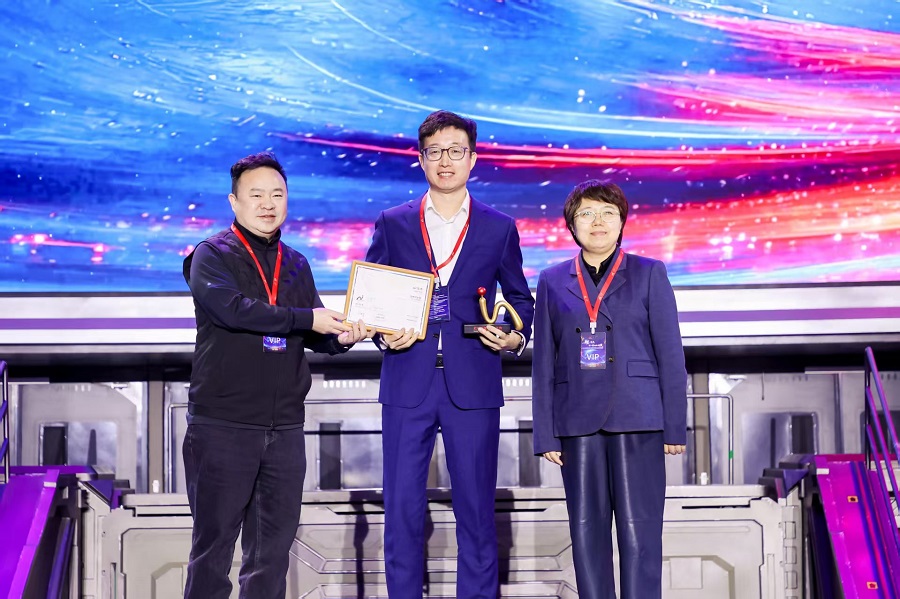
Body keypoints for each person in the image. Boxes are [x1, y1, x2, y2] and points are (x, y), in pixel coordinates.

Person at [181, 151, 371, 598]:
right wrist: (308, 319)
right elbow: (234, 311)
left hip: (284, 428)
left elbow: (312, 331)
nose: (268, 204)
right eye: (256, 195)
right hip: (223, 426)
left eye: (277, 194)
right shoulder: (210, 255)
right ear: (234, 202)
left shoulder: (296, 262)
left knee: (270, 557)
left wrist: (342, 338)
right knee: (212, 552)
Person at [365, 110, 535, 599]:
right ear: (421, 159)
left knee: (477, 513)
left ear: (472, 158)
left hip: (473, 383)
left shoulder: (499, 227)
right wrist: (383, 336)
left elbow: (520, 300)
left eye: (456, 151)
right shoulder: (393, 223)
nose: (445, 160)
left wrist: (511, 336)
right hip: (407, 381)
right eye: (435, 151)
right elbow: (373, 298)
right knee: (401, 511)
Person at [531, 180, 687, 599]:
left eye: (607, 213)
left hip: (639, 418)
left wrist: (675, 425)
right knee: (587, 537)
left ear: (621, 222)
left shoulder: (649, 272)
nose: (597, 221)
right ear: (571, 225)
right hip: (576, 422)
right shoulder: (551, 280)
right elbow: (543, 362)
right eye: (586, 213)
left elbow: (670, 354)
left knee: (640, 536)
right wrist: (545, 434)